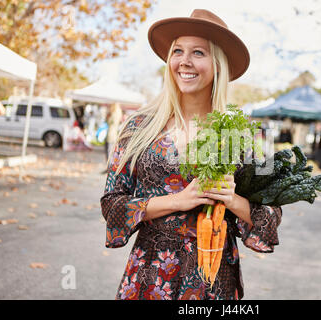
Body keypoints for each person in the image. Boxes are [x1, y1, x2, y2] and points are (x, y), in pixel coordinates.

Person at [100, 9, 282, 300]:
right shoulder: (139, 127)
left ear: (218, 65)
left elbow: (270, 217)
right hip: (149, 277)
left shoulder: (240, 134)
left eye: (198, 52)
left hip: (213, 280)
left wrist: (231, 199)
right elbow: (113, 205)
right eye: (178, 51)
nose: (184, 61)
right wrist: (178, 200)